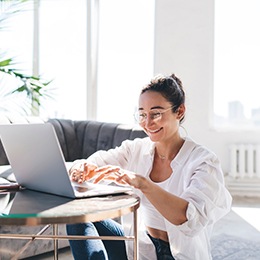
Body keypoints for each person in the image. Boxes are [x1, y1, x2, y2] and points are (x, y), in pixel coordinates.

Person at [66, 73, 232, 260]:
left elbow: (186, 217)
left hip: (177, 255)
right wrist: (81, 167)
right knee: (77, 218)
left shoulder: (204, 161)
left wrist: (142, 183)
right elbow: (94, 162)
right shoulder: (136, 148)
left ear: (180, 111)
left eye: (156, 114)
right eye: (143, 114)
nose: (148, 122)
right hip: (140, 247)